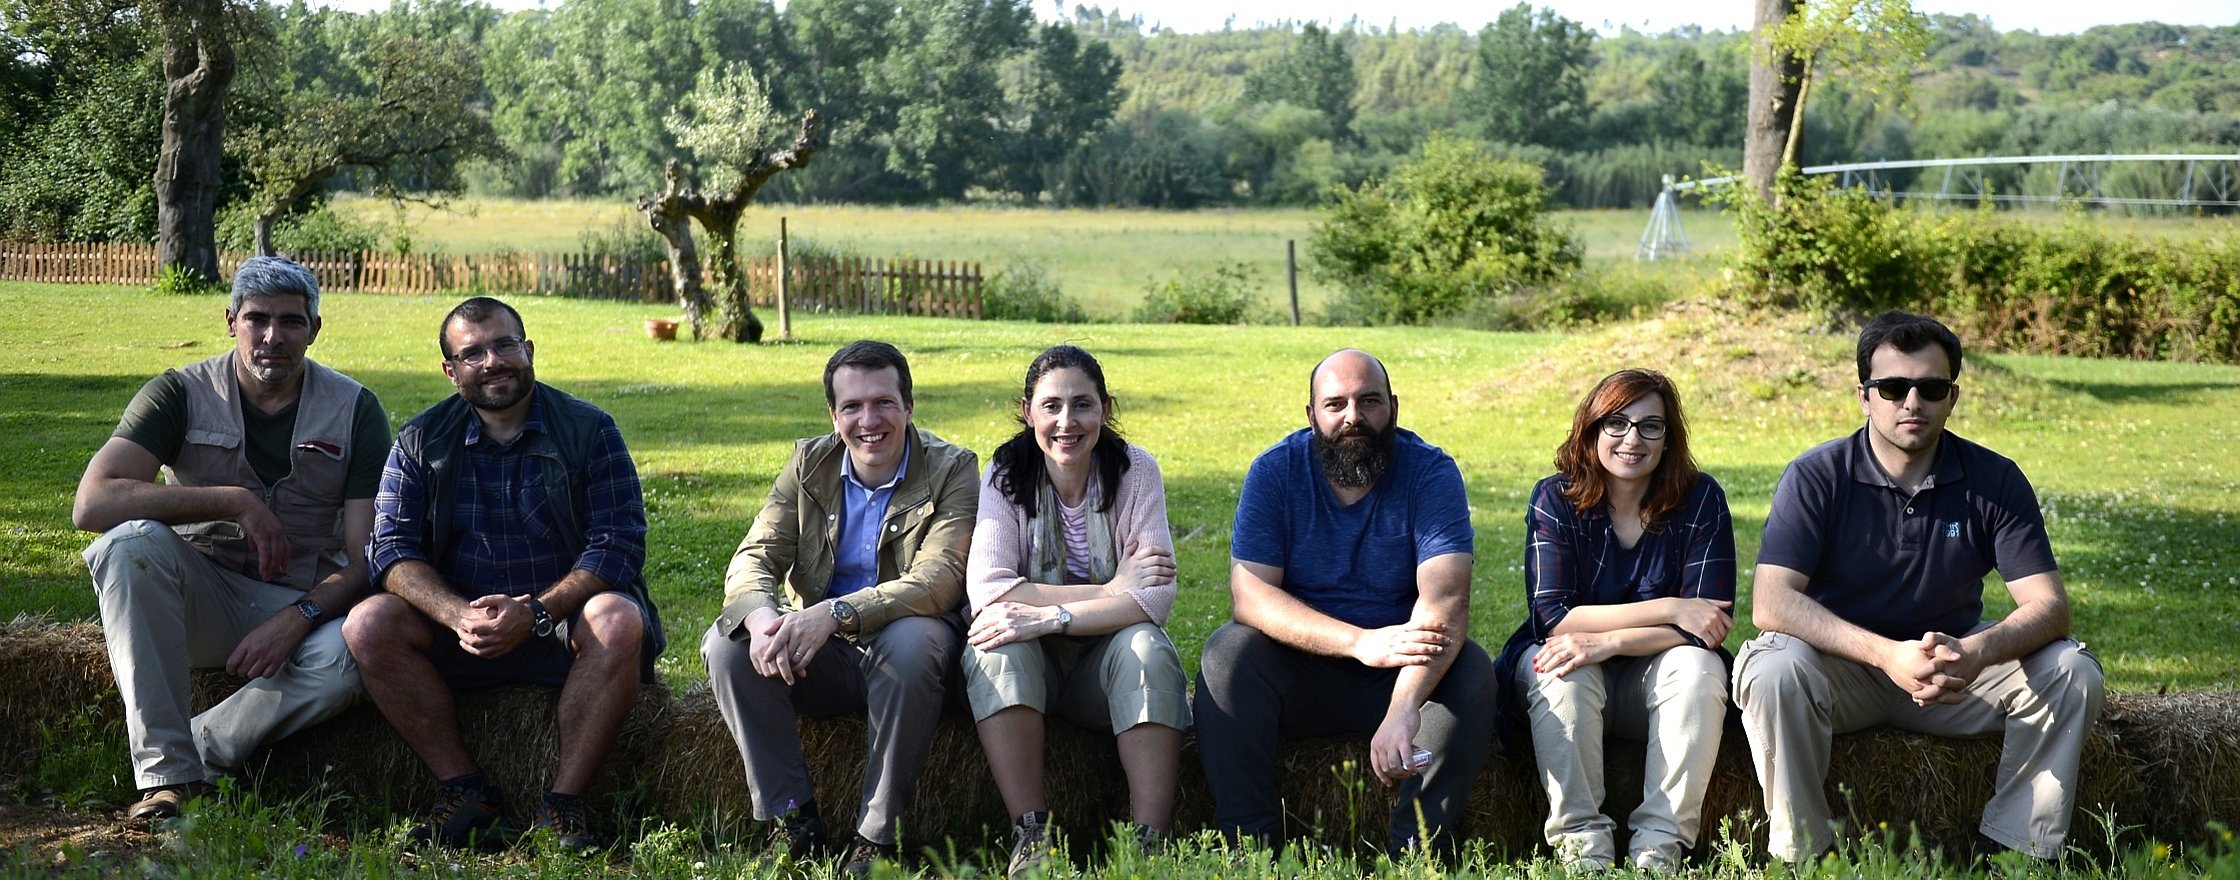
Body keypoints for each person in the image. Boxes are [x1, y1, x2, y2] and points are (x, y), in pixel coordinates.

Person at [1735, 311, 2105, 863]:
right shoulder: (1816, 475)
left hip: (1954, 672)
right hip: (1842, 671)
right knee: (1772, 667)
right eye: (1892, 387)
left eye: (1930, 387)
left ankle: (2017, 852)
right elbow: (1771, 601)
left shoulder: (1994, 478)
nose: (1912, 402)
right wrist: (1885, 655)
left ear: (1952, 397)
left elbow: (2050, 608)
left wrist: (1977, 651)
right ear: (1864, 396)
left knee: (2072, 671)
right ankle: (1803, 855)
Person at [72, 256, 390, 823]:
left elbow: (368, 556)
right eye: (256, 319)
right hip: (197, 593)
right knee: (128, 547)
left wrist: (300, 615)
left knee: (356, 651)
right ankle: (165, 779)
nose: (273, 337)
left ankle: (198, 751)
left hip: (298, 598)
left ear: (315, 329)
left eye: (292, 322)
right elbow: (93, 502)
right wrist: (232, 499)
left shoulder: (355, 409)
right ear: (230, 321)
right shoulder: (178, 393)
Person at [346, 296, 663, 851]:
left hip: (561, 628)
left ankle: (563, 806)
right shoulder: (420, 441)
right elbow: (390, 549)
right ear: (451, 371)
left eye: (504, 345)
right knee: (368, 623)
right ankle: (466, 793)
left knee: (617, 618)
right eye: (472, 354)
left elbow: (618, 545)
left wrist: (536, 612)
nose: (492, 361)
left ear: (528, 349)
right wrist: (458, 616)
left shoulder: (590, 430)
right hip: (460, 633)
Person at [1193, 348, 1495, 859]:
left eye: (1368, 401)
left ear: (1393, 408)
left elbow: (1446, 600)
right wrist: (1358, 643)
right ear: (1311, 415)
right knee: (1227, 654)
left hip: (1400, 669)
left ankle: (1418, 853)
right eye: (1335, 404)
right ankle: (1251, 851)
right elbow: (1250, 595)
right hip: (1299, 669)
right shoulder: (1274, 472)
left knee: (1471, 672)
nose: (1353, 416)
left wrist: (1404, 706)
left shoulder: (1431, 472)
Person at [702, 340, 978, 877]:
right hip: (822, 655)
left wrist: (834, 613)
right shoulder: (809, 463)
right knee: (727, 645)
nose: (868, 420)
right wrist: (763, 620)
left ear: (909, 407)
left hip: (909, 656)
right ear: (834, 415)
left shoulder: (953, 470)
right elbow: (755, 556)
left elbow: (938, 581)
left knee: (914, 640)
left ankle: (878, 837)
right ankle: (793, 821)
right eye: (852, 407)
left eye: (884, 403)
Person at [1494, 369, 1734, 873]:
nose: (1632, 439)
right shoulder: (1555, 497)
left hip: (1650, 678)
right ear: (1591, 429)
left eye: (1651, 426)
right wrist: (1671, 607)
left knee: (1698, 668)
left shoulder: (1701, 498)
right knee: (1560, 667)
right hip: (1576, 669)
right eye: (1617, 423)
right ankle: (1584, 849)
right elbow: (1555, 617)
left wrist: (1609, 642)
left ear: (1669, 439)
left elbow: (1707, 625)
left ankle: (1659, 848)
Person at [961, 346, 1189, 877]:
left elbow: (1153, 601)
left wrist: (1049, 615)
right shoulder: (1004, 474)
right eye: (1051, 406)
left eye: (1083, 405)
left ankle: (1148, 845)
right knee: (997, 642)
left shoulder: (1136, 472)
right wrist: (1113, 587)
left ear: (1106, 409)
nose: (1067, 422)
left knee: (1147, 648)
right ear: (1027, 410)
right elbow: (990, 593)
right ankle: (1031, 836)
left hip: (1102, 672)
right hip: (1031, 667)